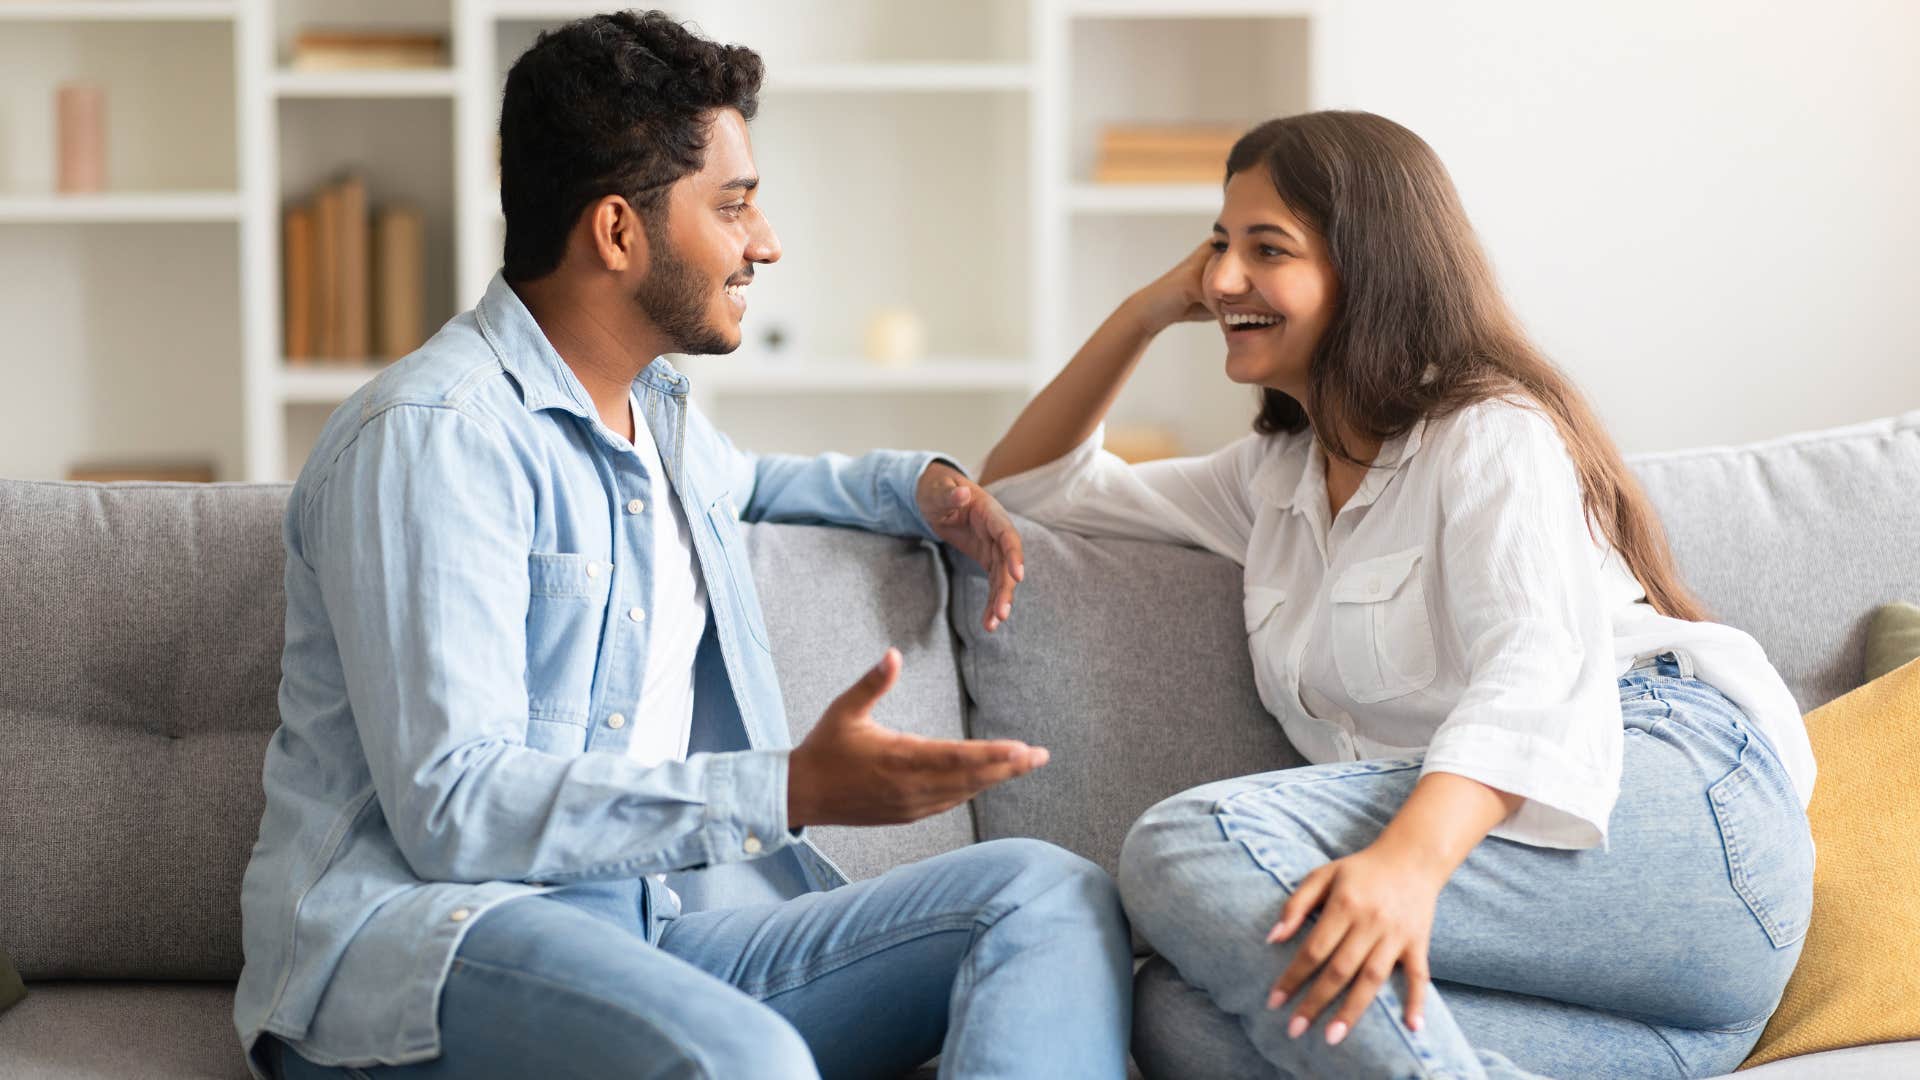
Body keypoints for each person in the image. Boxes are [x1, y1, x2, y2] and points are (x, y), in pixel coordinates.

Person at [234, 12, 1131, 1079]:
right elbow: (452, 807)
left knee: (1044, 893)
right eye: (736, 205)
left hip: (647, 930)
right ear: (617, 232)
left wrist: (919, 488)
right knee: (744, 1062)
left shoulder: (651, 413)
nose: (767, 242)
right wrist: (786, 790)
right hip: (435, 948)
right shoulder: (436, 438)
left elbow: (749, 485)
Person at [978, 110, 1815, 1078]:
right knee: (1176, 1019)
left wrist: (1409, 865)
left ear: (1368, 270)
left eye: (1265, 249)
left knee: (1192, 842)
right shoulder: (1276, 477)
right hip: (1648, 1011)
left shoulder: (1487, 428)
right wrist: (1145, 310)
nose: (1220, 279)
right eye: (1216, 246)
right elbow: (1028, 493)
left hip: (1672, 807)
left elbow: (1535, 667)